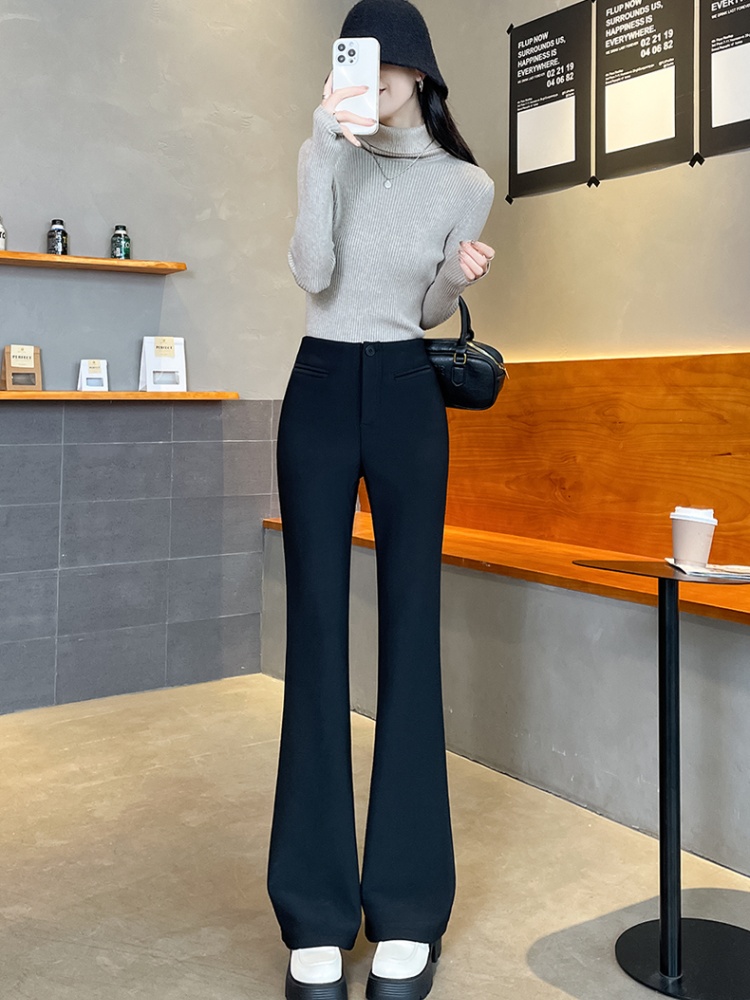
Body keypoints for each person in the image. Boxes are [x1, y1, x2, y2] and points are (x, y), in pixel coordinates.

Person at [267, 2, 495, 997]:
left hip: (407, 392)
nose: (378, 73)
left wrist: (454, 271)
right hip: (319, 385)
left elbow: (430, 309)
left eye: (391, 58)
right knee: (316, 633)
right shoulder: (327, 151)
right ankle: (314, 911)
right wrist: (324, 145)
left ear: (421, 70)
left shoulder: (468, 184)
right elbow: (315, 273)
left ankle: (408, 907)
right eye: (359, 56)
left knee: (411, 630)